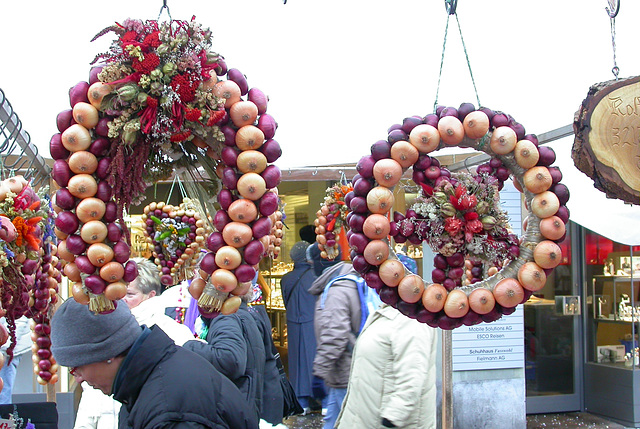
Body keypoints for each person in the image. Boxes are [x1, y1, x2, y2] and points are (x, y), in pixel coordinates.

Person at [51, 298, 258, 429]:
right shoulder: (149, 378)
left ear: (108, 352)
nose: (78, 378)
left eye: (77, 367)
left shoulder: (170, 410)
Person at [335, 303, 438, 429]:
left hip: (386, 423)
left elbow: (412, 376)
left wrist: (393, 417)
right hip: (367, 419)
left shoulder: (411, 320)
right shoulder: (389, 312)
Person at [184, 292, 266, 424]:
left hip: (231, 411)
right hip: (242, 409)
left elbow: (229, 359)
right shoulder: (241, 312)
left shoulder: (226, 316)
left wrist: (185, 344)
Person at [308, 258, 364, 429]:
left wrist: (319, 373)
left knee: (345, 421)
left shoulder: (336, 292)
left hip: (344, 371)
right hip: (345, 372)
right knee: (333, 421)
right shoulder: (350, 283)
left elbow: (335, 335)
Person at [280, 241, 320, 413]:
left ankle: (300, 400)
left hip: (293, 323)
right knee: (313, 360)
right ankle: (317, 398)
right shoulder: (317, 276)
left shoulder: (285, 279)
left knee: (296, 361)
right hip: (313, 322)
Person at [0, 316, 32, 404]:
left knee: (3, 391)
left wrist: (6, 347)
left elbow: (18, 320)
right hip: (6, 348)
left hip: (7, 351)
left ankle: (3, 416)